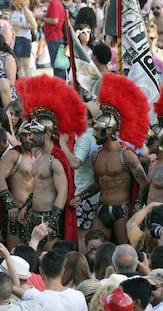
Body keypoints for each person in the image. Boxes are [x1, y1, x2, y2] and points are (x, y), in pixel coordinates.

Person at [71, 73, 150, 245]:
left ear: (109, 132)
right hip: (101, 209)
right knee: (92, 246)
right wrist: (81, 196)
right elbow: (97, 185)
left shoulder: (126, 155)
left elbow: (143, 183)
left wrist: (135, 212)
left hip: (122, 210)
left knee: (124, 250)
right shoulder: (95, 154)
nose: (94, 133)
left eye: (98, 131)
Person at [16, 75, 87, 247]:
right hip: (34, 217)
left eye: (35, 133)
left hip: (48, 220)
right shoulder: (39, 156)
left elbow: (62, 193)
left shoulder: (55, 160)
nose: (30, 136)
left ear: (47, 134)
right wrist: (26, 206)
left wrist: (51, 223)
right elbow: (38, 186)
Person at [59, 101, 100, 252]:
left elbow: (75, 162)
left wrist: (62, 143)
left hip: (83, 195)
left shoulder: (85, 137)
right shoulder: (97, 136)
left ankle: (82, 269)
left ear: (90, 120)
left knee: (82, 236)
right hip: (94, 194)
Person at [0, 122, 35, 249]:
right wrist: (10, 204)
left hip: (35, 213)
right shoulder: (13, 155)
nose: (28, 138)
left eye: (31, 134)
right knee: (15, 253)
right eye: (24, 135)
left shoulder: (42, 156)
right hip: (16, 211)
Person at [146, 81, 163, 206]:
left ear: (160, 140)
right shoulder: (153, 163)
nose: (147, 142)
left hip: (162, 223)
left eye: (151, 140)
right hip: (148, 221)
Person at [10, 0, 37, 77]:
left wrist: (21, 26)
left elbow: (34, 25)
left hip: (24, 38)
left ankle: (29, 84)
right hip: (16, 38)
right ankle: (22, 85)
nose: (12, 2)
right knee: (18, 65)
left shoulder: (25, 11)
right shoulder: (13, 12)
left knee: (25, 65)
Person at [43, 0, 66, 79]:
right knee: (58, 65)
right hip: (55, 37)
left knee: (57, 65)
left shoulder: (54, 3)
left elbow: (54, 20)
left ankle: (59, 86)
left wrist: (43, 18)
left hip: (54, 36)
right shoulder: (57, 3)